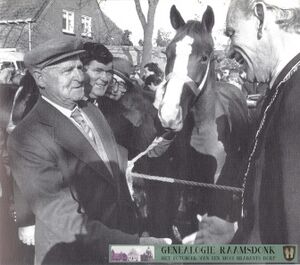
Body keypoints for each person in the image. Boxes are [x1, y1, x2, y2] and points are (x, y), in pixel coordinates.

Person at [7, 37, 170, 265]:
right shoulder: (27, 137)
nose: (79, 76)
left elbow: (114, 176)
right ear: (40, 78)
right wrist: (135, 247)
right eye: (67, 70)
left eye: (79, 67)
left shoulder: (89, 111)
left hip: (115, 242)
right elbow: (63, 220)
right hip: (74, 255)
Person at [184, 0, 300, 245]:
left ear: (260, 18)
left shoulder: (295, 98)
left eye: (231, 33)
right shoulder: (284, 88)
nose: (227, 51)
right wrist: (238, 231)